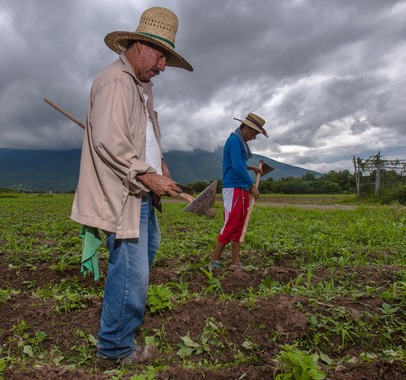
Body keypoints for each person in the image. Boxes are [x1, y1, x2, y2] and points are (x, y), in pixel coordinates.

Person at [70, 7, 193, 364]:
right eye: (160, 55)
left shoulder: (141, 88)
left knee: (140, 265)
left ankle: (119, 336)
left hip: (141, 193)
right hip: (125, 194)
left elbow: (144, 138)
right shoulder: (116, 83)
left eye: (167, 58)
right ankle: (115, 350)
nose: (163, 66)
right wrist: (145, 174)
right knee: (130, 273)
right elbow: (110, 140)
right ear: (140, 44)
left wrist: (161, 168)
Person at [210, 113, 268, 272]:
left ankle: (235, 262)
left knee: (240, 227)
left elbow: (238, 164)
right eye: (254, 133)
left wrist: (252, 168)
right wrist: (252, 186)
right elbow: (236, 166)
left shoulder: (240, 142)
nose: (254, 138)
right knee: (231, 224)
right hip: (234, 187)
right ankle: (214, 262)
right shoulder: (234, 141)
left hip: (241, 188)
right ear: (247, 128)